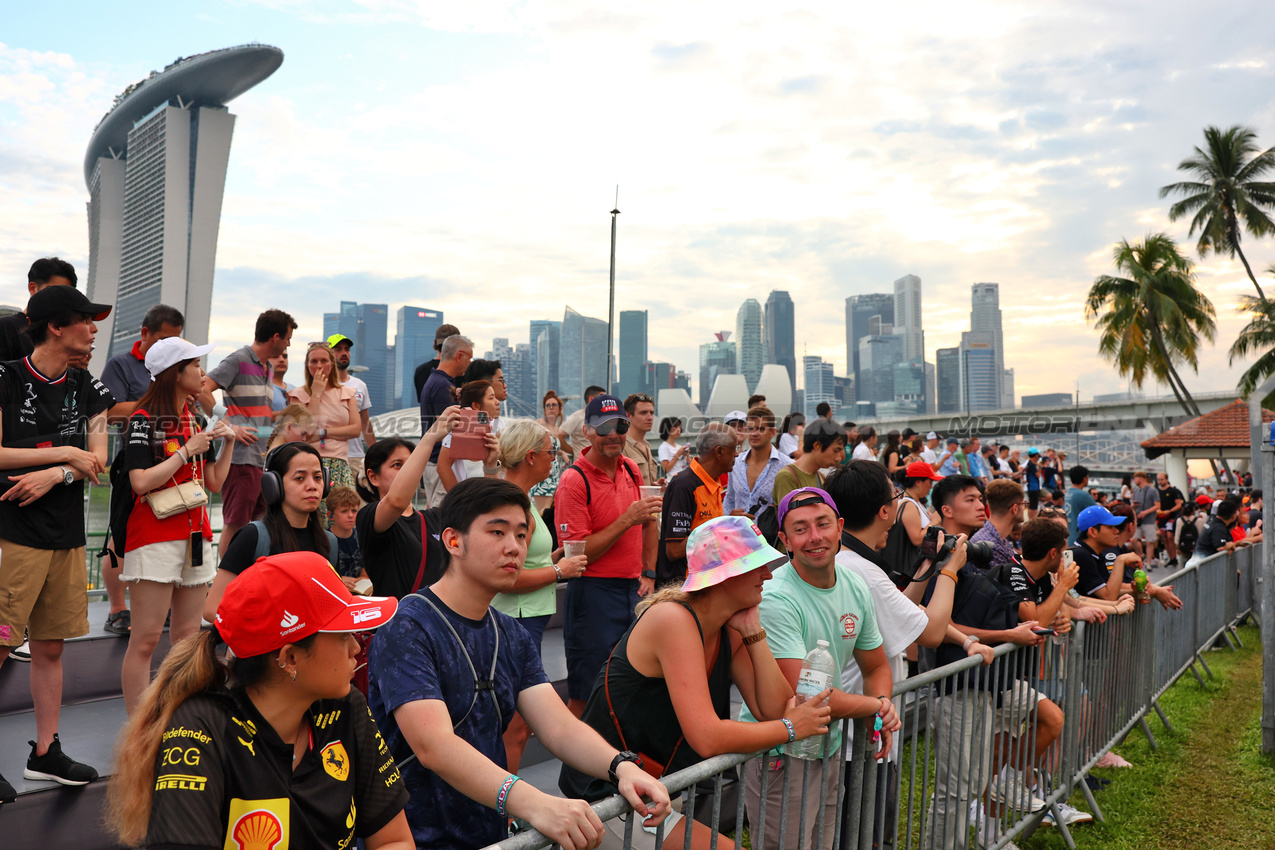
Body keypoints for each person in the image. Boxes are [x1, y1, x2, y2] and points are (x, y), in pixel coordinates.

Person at [367, 477, 672, 850]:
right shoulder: (408, 624)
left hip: (487, 832)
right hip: (413, 837)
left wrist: (622, 766)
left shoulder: (510, 634)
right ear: (453, 541)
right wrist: (536, 803)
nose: (514, 547)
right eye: (497, 532)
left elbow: (558, 727)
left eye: (522, 535)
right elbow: (433, 744)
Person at [106, 552, 412, 850]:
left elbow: (394, 840)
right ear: (290, 658)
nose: (357, 648)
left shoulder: (346, 705)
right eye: (343, 635)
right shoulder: (200, 728)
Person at [562, 515, 834, 850]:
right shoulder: (673, 620)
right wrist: (791, 729)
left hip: (654, 794)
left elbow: (774, 708)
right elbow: (707, 736)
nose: (768, 574)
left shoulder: (726, 627)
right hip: (606, 799)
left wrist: (753, 633)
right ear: (724, 576)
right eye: (756, 565)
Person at [824, 461, 994, 846]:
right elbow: (930, 632)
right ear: (885, 511)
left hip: (856, 730)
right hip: (859, 739)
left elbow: (904, 614)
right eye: (897, 498)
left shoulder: (848, 561)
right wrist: (950, 571)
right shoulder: (862, 571)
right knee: (865, 835)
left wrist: (928, 567)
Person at [0, 284, 113, 797]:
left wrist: (58, 473)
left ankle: (46, 752)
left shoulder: (88, 385)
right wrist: (65, 453)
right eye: (86, 320)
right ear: (56, 325)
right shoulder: (5, 377)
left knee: (50, 648)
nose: (93, 330)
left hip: (65, 535)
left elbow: (97, 462)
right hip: (13, 533)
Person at [740, 487, 899, 850]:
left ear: (840, 527)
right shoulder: (777, 597)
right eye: (800, 529)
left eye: (823, 524)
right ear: (784, 540)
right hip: (781, 750)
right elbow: (806, 696)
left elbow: (876, 667)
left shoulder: (854, 585)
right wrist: (877, 707)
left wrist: (880, 709)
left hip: (825, 745)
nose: (815, 537)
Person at [119, 338, 236, 715]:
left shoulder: (195, 419)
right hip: (153, 536)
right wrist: (187, 449)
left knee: (188, 636)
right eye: (195, 365)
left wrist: (228, 443)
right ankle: (139, 723)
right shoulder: (143, 419)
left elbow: (214, 482)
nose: (203, 373)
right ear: (175, 373)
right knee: (146, 638)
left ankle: (178, 712)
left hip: (196, 535)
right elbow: (139, 482)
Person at [554, 394, 662, 717]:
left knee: (628, 685)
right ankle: (576, 766)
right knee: (587, 694)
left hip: (632, 591)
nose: (613, 434)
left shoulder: (630, 469)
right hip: (593, 595)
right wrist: (627, 519)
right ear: (586, 431)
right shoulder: (574, 481)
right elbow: (577, 554)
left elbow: (649, 522)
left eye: (619, 426)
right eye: (603, 428)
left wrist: (650, 573)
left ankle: (614, 762)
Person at [492, 419, 588, 772]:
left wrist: (553, 560)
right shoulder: (515, 504)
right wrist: (560, 572)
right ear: (531, 456)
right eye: (551, 452)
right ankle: (503, 812)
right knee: (517, 727)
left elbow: (522, 562)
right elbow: (508, 578)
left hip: (524, 619)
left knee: (518, 724)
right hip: (518, 620)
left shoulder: (519, 500)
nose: (555, 458)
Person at [98, 303, 186, 637]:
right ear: (144, 334)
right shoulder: (121, 365)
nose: (169, 348)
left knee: (160, 538)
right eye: (164, 340)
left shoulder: (177, 367)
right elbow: (109, 411)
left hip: (173, 464)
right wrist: (158, 399)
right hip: (134, 463)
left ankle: (154, 607)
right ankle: (118, 607)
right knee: (120, 534)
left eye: (175, 341)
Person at [202, 442, 338, 621]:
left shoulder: (330, 542)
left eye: (318, 477)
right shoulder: (252, 537)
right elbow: (213, 609)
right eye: (300, 478)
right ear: (274, 484)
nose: (312, 486)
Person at [201, 308, 297, 557]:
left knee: (257, 527)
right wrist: (229, 427)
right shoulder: (239, 359)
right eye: (287, 338)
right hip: (240, 460)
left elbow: (257, 418)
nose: (288, 344)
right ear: (275, 337)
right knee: (235, 526)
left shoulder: (267, 369)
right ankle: (225, 585)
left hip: (259, 460)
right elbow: (203, 390)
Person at [354, 409, 460, 599]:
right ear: (373, 477)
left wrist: (491, 466)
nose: (407, 471)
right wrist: (429, 438)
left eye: (411, 464)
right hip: (398, 623)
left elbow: (483, 511)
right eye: (397, 465)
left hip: (436, 622)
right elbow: (395, 502)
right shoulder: (368, 516)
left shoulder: (433, 517)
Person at [654, 423, 736, 586]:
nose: (738, 454)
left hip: (708, 582)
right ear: (719, 451)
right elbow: (674, 550)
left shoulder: (714, 482)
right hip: (685, 587)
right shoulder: (684, 485)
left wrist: (729, 523)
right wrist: (721, 531)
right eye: (734, 448)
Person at [288, 341, 361, 521]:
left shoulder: (347, 393)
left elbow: (355, 429)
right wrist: (316, 395)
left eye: (323, 361)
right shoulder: (297, 395)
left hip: (340, 465)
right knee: (315, 520)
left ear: (332, 364)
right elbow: (304, 429)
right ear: (307, 365)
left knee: (343, 520)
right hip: (310, 467)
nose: (319, 366)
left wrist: (323, 433)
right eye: (314, 361)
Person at [419, 333, 473, 505]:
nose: (469, 363)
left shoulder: (435, 381)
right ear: (459, 356)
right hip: (439, 464)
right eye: (469, 358)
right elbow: (447, 431)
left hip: (433, 463)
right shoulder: (442, 385)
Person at [0, 257, 78, 362]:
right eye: (53, 291)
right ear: (33, 288)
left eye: (66, 293)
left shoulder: (63, 334)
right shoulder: (7, 328)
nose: (59, 298)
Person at [723, 405, 793, 518]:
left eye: (760, 429)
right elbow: (730, 498)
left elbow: (791, 507)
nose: (754, 433)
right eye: (751, 429)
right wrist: (728, 518)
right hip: (738, 533)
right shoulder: (736, 463)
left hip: (771, 535)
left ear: (772, 432)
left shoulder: (787, 466)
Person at [436, 379, 502, 496]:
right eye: (491, 398)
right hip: (467, 499)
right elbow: (443, 467)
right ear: (476, 405)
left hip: (491, 495)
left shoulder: (500, 424)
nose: (497, 402)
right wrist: (458, 498)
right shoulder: (458, 427)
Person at [879, 460, 942, 580]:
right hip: (907, 569)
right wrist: (934, 522)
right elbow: (917, 539)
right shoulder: (908, 504)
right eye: (930, 482)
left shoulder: (915, 502)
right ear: (918, 482)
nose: (931, 486)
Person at [327, 332, 376, 482]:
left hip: (356, 456)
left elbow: (366, 423)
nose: (344, 353)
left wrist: (376, 454)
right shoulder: (321, 385)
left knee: (360, 504)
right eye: (338, 349)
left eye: (347, 349)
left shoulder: (360, 386)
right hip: (330, 455)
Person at [771, 418, 846, 504]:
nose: (838, 458)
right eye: (835, 451)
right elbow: (790, 515)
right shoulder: (787, 477)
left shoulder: (821, 477)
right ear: (817, 445)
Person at [970, 479, 1026, 571]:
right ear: (1015, 508)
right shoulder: (991, 546)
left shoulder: (995, 537)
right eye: (1024, 504)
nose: (1024, 508)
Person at [531, 389, 571, 512]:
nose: (551, 408)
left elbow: (552, 448)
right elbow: (535, 446)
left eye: (554, 405)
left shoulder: (556, 428)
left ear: (560, 408)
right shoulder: (540, 424)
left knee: (550, 513)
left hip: (554, 477)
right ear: (544, 410)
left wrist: (562, 452)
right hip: (543, 478)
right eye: (547, 406)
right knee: (541, 514)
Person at [327, 485, 368, 588]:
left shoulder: (362, 537)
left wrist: (361, 579)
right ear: (330, 515)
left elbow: (366, 572)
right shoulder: (325, 539)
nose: (350, 515)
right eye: (344, 511)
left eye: (354, 511)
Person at [413, 322, 461, 404]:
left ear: (435, 343)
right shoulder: (463, 369)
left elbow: (423, 402)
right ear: (459, 344)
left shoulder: (421, 370)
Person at [621, 392, 661, 486]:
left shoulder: (646, 446)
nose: (650, 417)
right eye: (643, 413)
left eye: (651, 413)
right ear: (628, 416)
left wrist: (654, 485)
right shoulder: (621, 446)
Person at [562, 384, 606, 457]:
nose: (604, 401)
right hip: (582, 465)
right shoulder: (577, 417)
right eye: (602, 398)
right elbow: (559, 436)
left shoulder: (602, 419)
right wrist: (573, 452)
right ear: (591, 399)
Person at [1156, 472, 1186, 567]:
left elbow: (1179, 504)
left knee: (1170, 536)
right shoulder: (1158, 492)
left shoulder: (1174, 491)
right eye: (1158, 480)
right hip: (1162, 517)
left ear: (1166, 479)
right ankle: (1172, 558)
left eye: (1162, 479)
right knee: (1165, 537)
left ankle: (1175, 557)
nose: (1160, 481)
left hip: (1172, 516)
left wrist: (1169, 511)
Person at [1129, 471, 1160, 562]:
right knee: (1133, 539)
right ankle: (1142, 555)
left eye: (1135, 479)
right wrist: (1133, 506)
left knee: (1149, 541)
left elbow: (1157, 506)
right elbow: (1133, 503)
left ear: (1141, 478)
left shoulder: (1153, 490)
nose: (1134, 481)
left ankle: (1149, 562)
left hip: (1149, 520)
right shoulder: (1136, 490)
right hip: (1138, 520)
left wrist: (1145, 512)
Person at [1064, 465, 1098, 544]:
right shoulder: (1083, 495)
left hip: (1069, 538)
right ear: (1084, 478)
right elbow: (1099, 514)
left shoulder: (1068, 493)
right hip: (1079, 539)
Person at [1023, 447, 1042, 518]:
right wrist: (1040, 468)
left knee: (1034, 505)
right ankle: (1032, 519)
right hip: (1033, 487)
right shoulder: (1031, 464)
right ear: (1036, 455)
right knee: (1032, 506)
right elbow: (1038, 475)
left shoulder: (1030, 463)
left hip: (1033, 487)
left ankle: (1033, 518)